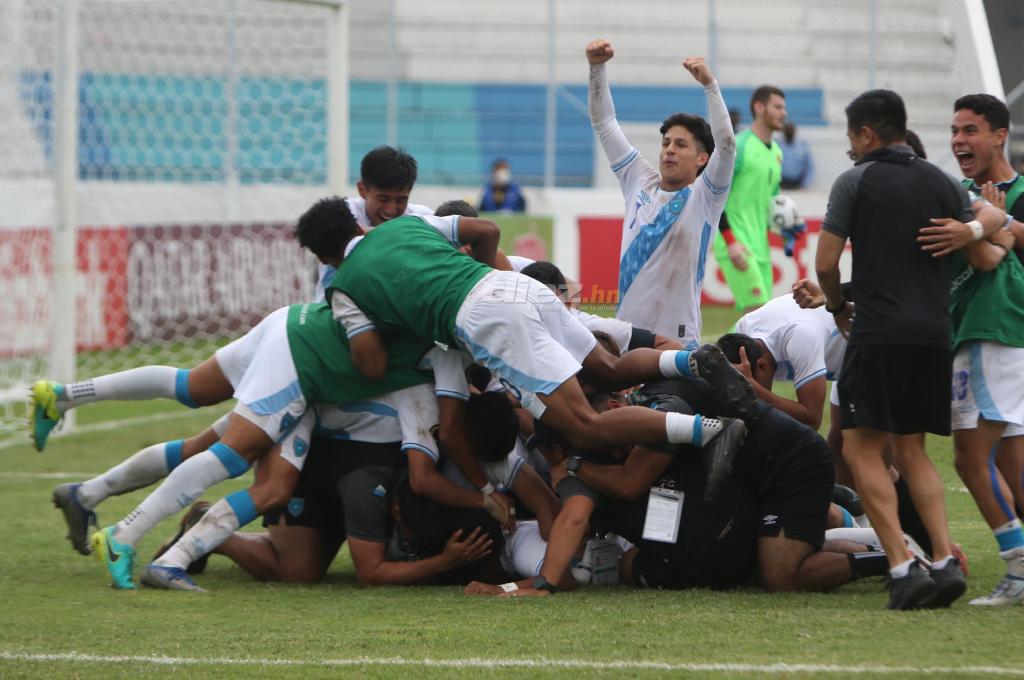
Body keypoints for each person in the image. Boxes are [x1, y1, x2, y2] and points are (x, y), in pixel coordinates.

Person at [318, 204, 752, 485]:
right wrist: (486, 280)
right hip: (515, 286)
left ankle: (709, 431)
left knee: (584, 424)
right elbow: (487, 229)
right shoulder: (406, 225)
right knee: (608, 371)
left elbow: (371, 364)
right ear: (359, 225)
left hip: (486, 318)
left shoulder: (344, 287)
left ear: (324, 258)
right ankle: (693, 361)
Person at [815, 88, 1008, 610]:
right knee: (912, 448)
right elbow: (995, 222)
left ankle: (903, 566)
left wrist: (836, 305)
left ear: (866, 133)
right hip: (934, 335)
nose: (851, 147)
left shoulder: (855, 180)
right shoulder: (940, 180)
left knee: (859, 448)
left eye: (851, 137)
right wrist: (971, 228)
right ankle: (943, 559)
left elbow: (826, 263)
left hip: (878, 332)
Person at [585, 40, 736, 348]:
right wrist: (596, 68)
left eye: (680, 145)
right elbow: (604, 123)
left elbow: (727, 146)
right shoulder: (638, 180)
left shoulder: (705, 197)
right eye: (666, 143)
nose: (669, 150)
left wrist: (710, 86)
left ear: (702, 159)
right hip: (627, 339)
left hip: (678, 343)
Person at [944, 203, 1024, 605]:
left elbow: (986, 255)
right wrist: (996, 231)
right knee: (1013, 461)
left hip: (987, 335)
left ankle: (1018, 567)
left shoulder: (953, 200)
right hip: (1007, 333)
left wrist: (983, 229)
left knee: (971, 460)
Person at [313, 146, 434, 301]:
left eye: (401, 200)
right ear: (362, 190)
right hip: (335, 309)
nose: (391, 210)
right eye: (383, 199)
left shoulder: (424, 219)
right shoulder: (342, 217)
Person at [716, 293, 844, 431]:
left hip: (859, 358)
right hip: (843, 365)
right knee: (837, 438)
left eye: (749, 392)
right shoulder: (743, 328)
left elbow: (812, 419)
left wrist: (754, 388)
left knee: (852, 438)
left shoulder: (801, 338)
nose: (750, 397)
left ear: (761, 366)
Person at [714, 85, 786, 312]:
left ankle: (727, 340)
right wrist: (731, 242)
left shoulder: (777, 153)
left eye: (784, 108)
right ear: (759, 107)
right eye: (778, 107)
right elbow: (715, 195)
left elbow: (771, 203)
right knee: (758, 313)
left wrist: (787, 227)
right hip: (736, 242)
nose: (783, 113)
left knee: (761, 319)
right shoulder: (740, 146)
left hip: (761, 247)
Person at [952, 94, 1024, 261]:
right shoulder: (957, 191)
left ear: (999, 137)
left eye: (970, 131)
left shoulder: (1020, 193)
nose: (958, 140)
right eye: (954, 132)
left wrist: (999, 219)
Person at [778, 121, 813, 189]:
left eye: (791, 130)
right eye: (787, 130)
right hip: (781, 184)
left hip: (797, 184)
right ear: (783, 131)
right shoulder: (778, 146)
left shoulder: (802, 147)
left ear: (795, 131)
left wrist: (805, 185)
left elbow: (809, 167)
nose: (789, 132)